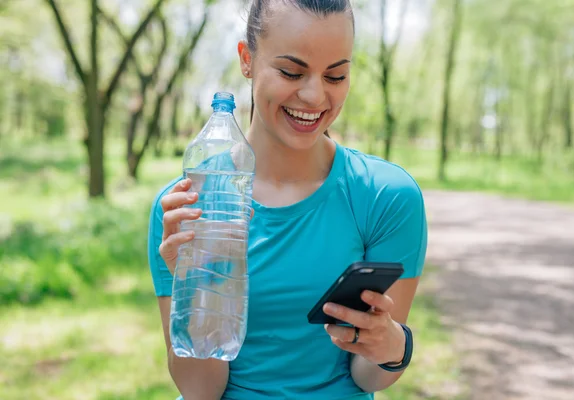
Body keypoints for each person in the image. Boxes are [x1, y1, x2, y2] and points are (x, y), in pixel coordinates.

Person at [147, 0, 428, 399]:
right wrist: (193, 285)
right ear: (247, 59)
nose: (314, 96)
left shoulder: (386, 196)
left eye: (336, 76)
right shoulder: (188, 206)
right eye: (291, 72)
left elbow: (370, 376)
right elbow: (200, 390)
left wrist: (393, 344)